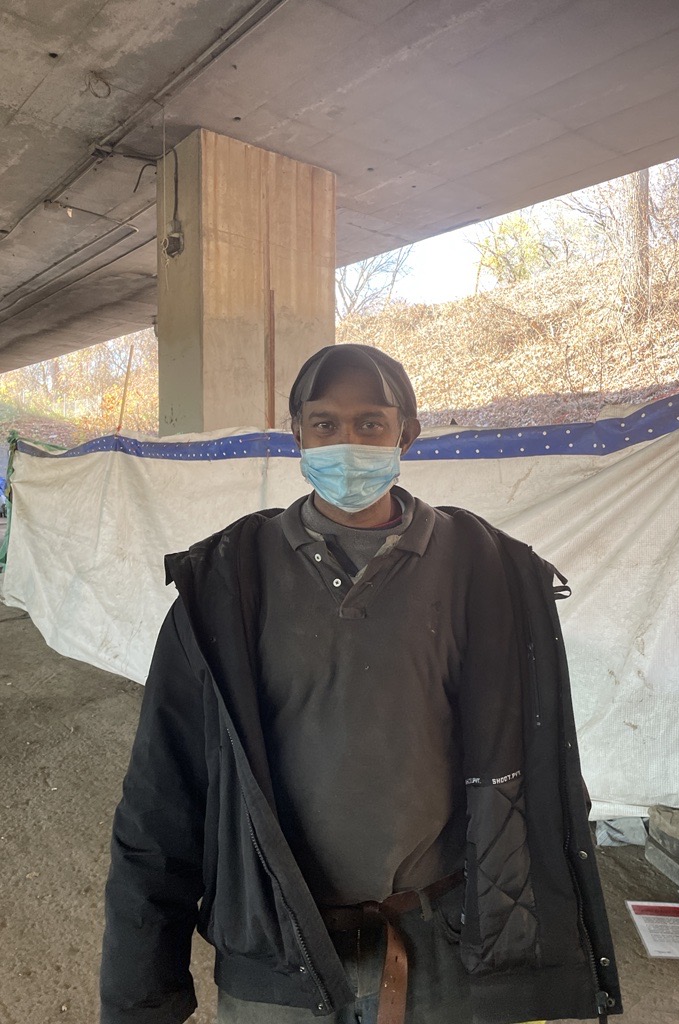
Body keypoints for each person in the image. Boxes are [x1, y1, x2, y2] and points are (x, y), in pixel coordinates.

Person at [100, 344, 621, 1024]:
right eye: (325, 424)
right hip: (279, 961)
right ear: (297, 437)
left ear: (408, 432)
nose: (347, 443)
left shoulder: (485, 571)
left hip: (446, 951)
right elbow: (159, 802)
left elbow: (541, 774)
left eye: (371, 424)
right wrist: (140, 1001)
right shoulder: (227, 584)